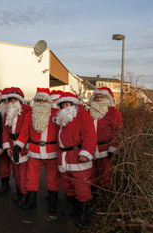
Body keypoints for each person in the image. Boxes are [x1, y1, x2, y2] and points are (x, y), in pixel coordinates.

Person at [54, 92, 97, 228]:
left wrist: (86, 152)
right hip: (65, 157)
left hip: (78, 156)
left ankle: (84, 215)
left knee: (81, 186)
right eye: (63, 105)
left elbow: (90, 135)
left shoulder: (83, 116)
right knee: (67, 185)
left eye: (67, 104)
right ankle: (75, 209)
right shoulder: (62, 120)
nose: (65, 107)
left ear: (73, 105)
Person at [14, 88, 60, 212]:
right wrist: (18, 146)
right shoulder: (30, 115)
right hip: (35, 150)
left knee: (52, 178)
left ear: (48, 102)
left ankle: (52, 202)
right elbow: (24, 133)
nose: (40, 103)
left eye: (43, 101)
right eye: (38, 100)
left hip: (52, 151)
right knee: (31, 177)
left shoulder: (57, 113)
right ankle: (31, 201)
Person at [87, 87, 123, 196]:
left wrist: (113, 146)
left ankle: (105, 199)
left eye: (101, 97)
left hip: (106, 148)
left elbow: (118, 130)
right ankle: (92, 198)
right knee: (91, 174)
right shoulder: (89, 111)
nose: (98, 100)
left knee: (106, 174)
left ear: (106, 98)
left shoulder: (113, 112)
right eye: (96, 97)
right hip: (91, 148)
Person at [2, 87, 31, 207]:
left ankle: (25, 194)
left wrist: (27, 144)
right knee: (16, 172)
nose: (12, 102)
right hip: (11, 143)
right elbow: (4, 130)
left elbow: (30, 129)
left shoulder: (27, 110)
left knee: (24, 172)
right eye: (11, 100)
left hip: (23, 144)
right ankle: (20, 192)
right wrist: (7, 146)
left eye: (15, 99)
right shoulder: (7, 112)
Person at [0, 87, 12, 194]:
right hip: (1, 141)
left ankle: (21, 188)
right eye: (3, 101)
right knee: (3, 165)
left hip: (14, 141)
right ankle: (5, 184)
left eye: (8, 100)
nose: (6, 103)